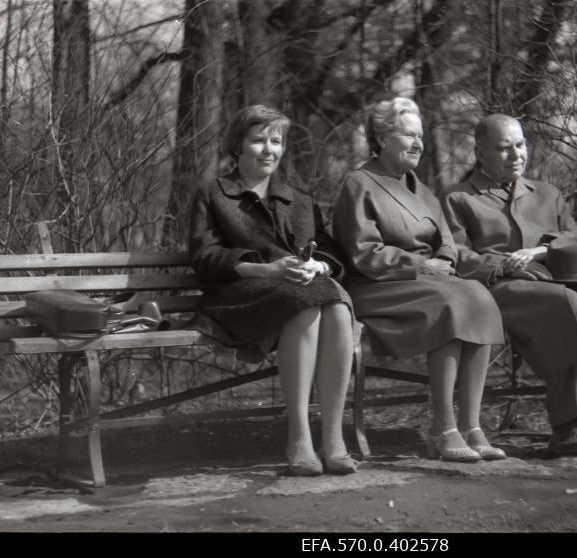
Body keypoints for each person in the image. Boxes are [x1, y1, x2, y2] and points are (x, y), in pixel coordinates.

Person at [441, 114, 577, 457]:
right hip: (499, 290)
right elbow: (457, 255)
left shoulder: (548, 194)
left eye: (520, 145)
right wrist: (504, 266)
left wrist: (542, 250)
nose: (516, 155)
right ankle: (567, 428)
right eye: (504, 148)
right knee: (565, 303)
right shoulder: (458, 198)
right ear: (480, 152)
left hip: (561, 277)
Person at [332, 97, 506, 462]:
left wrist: (443, 261)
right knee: (450, 302)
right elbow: (365, 254)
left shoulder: (418, 187)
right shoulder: (359, 183)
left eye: (420, 136)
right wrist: (423, 267)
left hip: (427, 281)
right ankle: (443, 428)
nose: (418, 143)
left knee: (478, 295)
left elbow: (447, 241)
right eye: (408, 134)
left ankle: (472, 426)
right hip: (377, 286)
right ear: (380, 138)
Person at [189, 105, 357, 476]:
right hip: (237, 295)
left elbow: (330, 249)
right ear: (238, 146)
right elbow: (204, 258)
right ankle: (298, 437)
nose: (268, 149)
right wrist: (267, 269)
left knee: (337, 307)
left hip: (300, 290)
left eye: (276, 141)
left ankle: (333, 439)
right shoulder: (215, 194)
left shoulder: (299, 200)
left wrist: (321, 265)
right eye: (258, 140)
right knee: (306, 303)